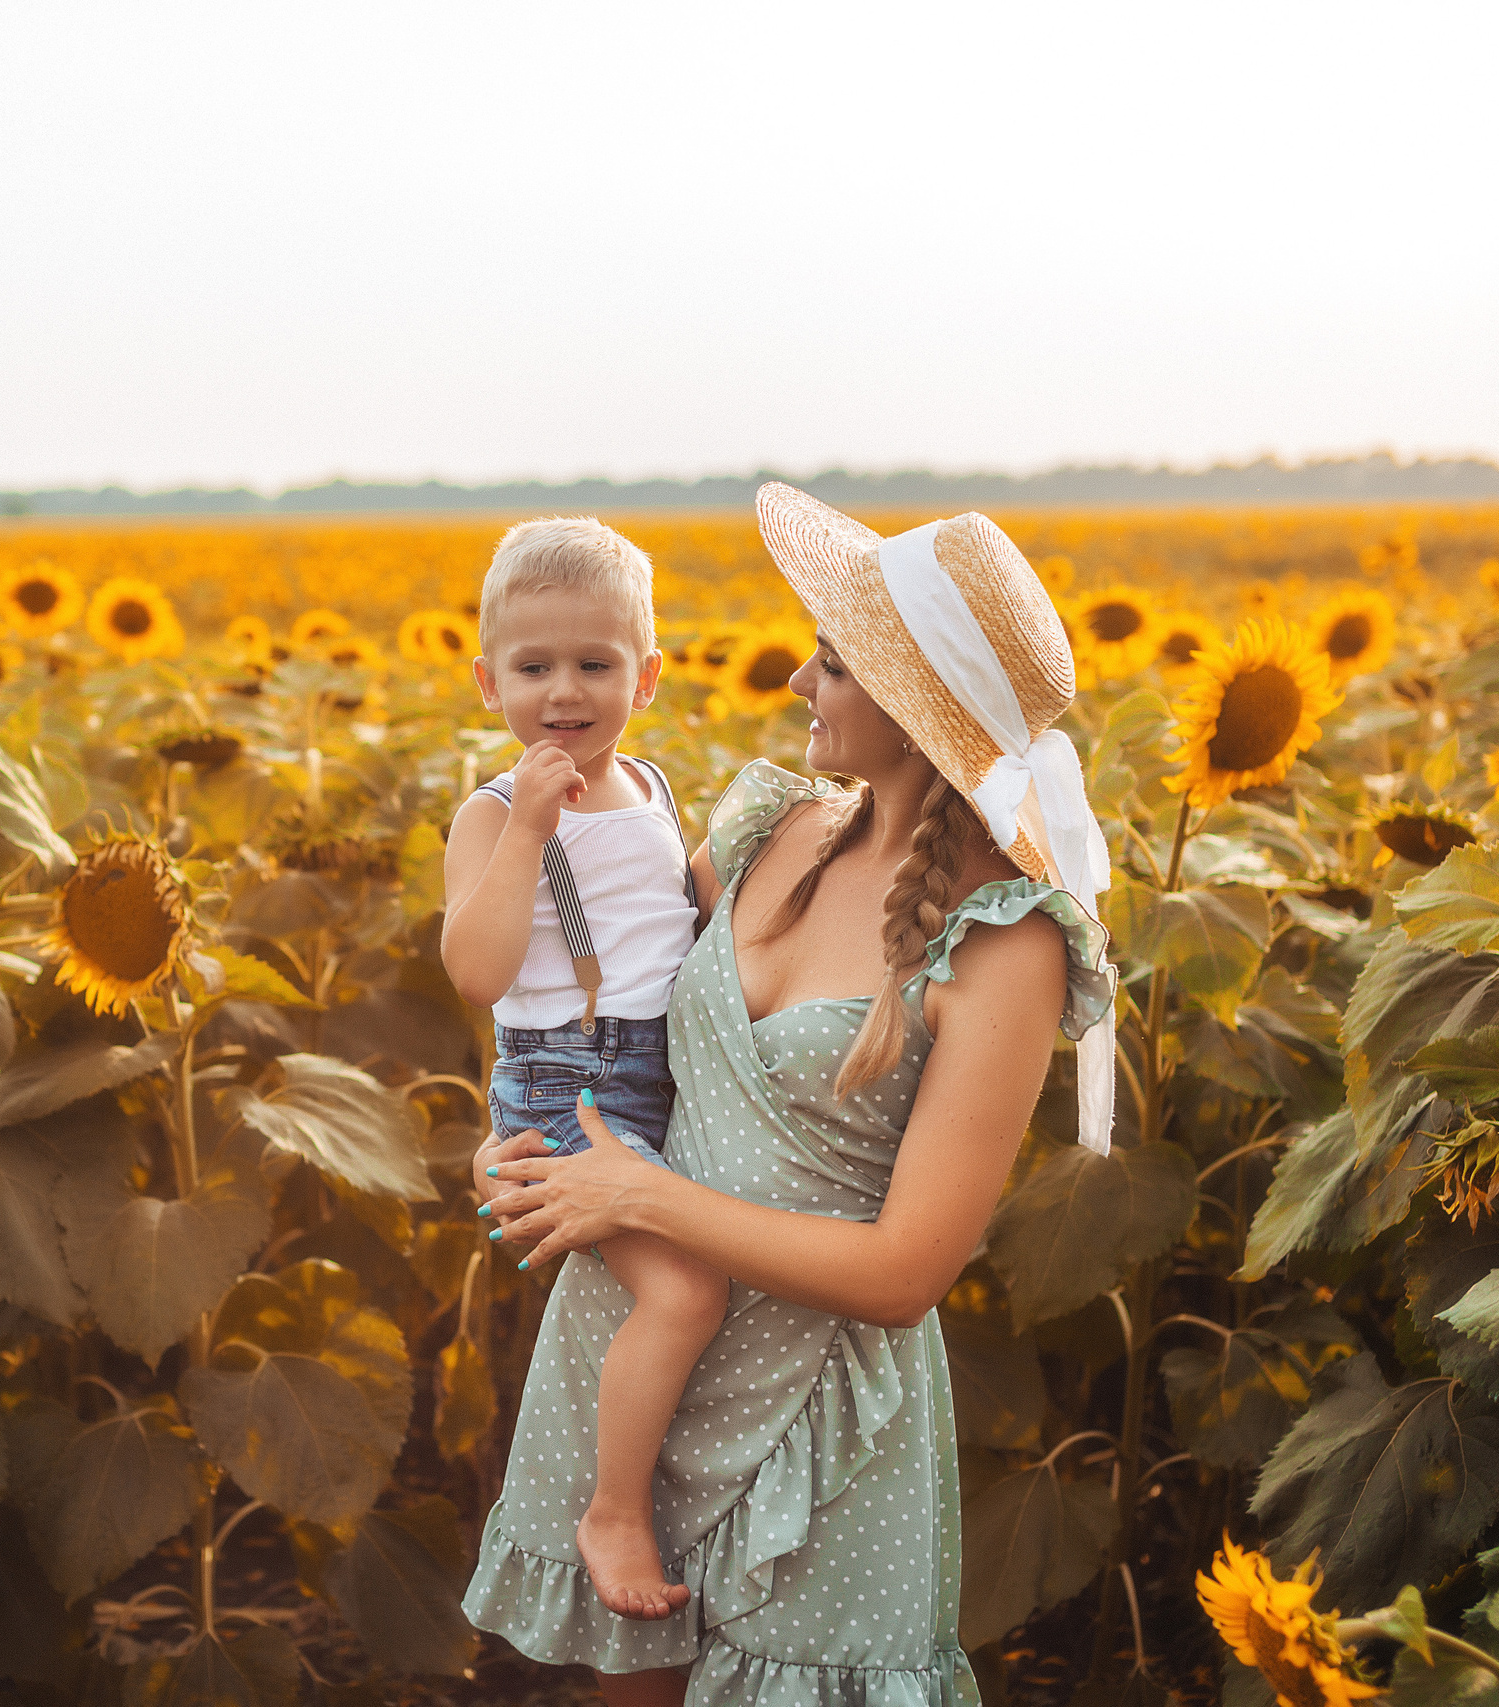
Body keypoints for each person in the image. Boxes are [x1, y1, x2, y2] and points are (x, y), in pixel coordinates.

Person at [461, 484, 1120, 1705]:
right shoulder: (774, 825)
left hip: (819, 1423)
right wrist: (521, 1131)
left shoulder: (1003, 944)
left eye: (830, 666)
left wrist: (642, 1197)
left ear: (916, 710)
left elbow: (905, 1273)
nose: (797, 688)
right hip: (638, 1351)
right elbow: (586, 988)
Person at [442, 517, 731, 1622]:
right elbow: (477, 971)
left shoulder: (652, 790)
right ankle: (610, 1509)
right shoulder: (487, 815)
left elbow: (677, 933)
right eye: (533, 667)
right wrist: (524, 833)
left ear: (645, 677)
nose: (564, 691)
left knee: (723, 1282)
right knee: (684, 1287)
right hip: (569, 1088)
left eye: (595, 664)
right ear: (487, 682)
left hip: (667, 1077)